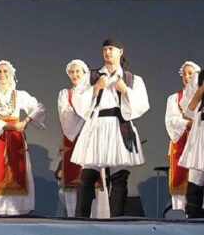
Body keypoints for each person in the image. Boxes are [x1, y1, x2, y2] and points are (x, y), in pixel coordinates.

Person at [71, 39, 149, 217]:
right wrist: (96, 88)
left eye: (111, 49)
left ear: (120, 52)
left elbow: (142, 104)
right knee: (88, 174)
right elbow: (77, 100)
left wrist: (125, 90)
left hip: (119, 126)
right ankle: (80, 218)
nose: (107, 52)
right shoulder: (92, 77)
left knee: (119, 176)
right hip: (97, 125)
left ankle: (117, 220)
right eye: (105, 49)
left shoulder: (131, 79)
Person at [0, 60, 46, 215]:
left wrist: (25, 121)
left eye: (5, 71)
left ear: (11, 74)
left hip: (16, 138)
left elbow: (39, 108)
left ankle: (20, 209)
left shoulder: (20, 95)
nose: (2, 74)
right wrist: (10, 126)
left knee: (19, 171)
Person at [57, 59, 109, 218]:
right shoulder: (65, 94)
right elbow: (67, 117)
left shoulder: (97, 90)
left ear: (85, 73)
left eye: (77, 71)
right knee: (74, 183)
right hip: (74, 140)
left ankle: (99, 220)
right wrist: (86, 116)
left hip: (92, 139)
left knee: (95, 180)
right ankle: (75, 220)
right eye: (71, 72)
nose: (74, 75)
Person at [165, 62, 200, 213]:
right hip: (181, 141)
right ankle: (179, 213)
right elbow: (171, 120)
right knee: (180, 176)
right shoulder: (174, 98)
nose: (187, 77)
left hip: (199, 141)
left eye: (190, 73)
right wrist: (188, 123)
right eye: (184, 74)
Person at [179, 67, 204, 218]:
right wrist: (202, 89)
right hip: (201, 130)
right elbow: (188, 110)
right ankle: (194, 218)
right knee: (196, 177)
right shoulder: (198, 77)